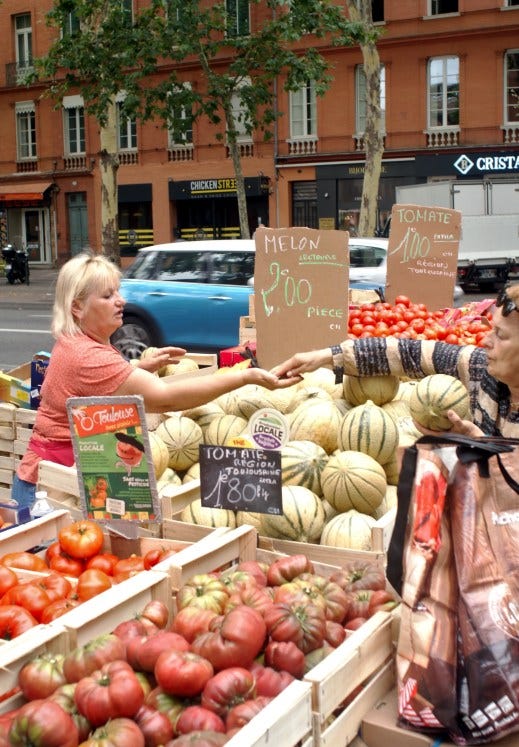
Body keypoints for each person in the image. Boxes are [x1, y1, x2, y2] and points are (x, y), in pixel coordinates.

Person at [12, 252, 299, 509]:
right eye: (107, 296)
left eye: (118, 292)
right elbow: (165, 398)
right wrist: (244, 376)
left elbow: (99, 385)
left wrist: (140, 366)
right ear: (77, 307)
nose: (121, 301)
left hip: (56, 481)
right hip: (49, 492)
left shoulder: (80, 342)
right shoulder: (88, 356)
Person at [272, 283, 519, 440]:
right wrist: (326, 356)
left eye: (500, 335)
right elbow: (405, 353)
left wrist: (483, 447)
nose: (485, 341)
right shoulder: (479, 369)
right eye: (490, 329)